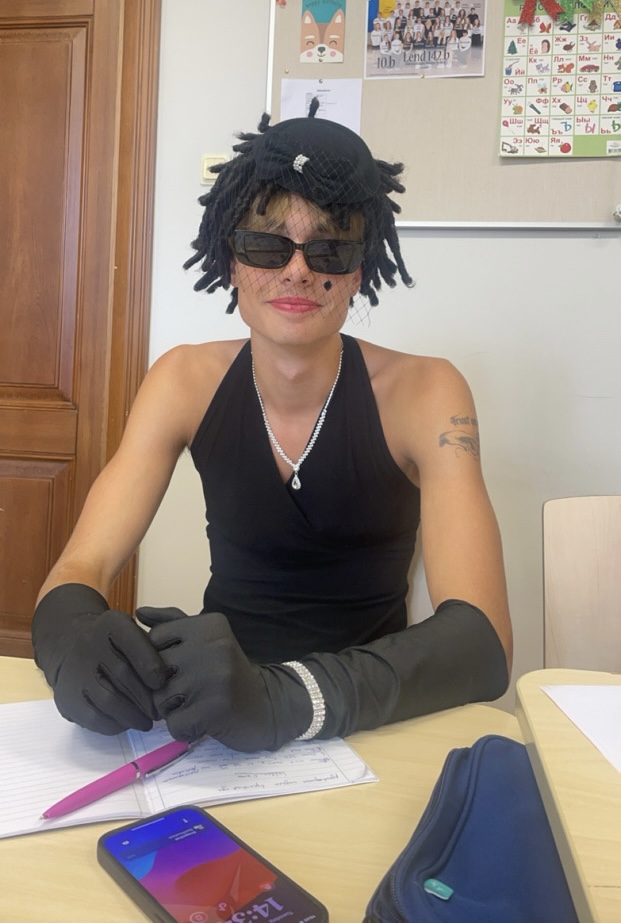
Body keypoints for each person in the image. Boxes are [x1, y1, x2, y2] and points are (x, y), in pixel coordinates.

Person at [31, 101, 512, 754]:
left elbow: (483, 639)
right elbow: (80, 565)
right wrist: (72, 642)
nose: (297, 271)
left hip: (369, 720)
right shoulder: (183, 380)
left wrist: (285, 698)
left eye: (328, 249)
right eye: (266, 244)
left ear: (357, 272)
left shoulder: (426, 392)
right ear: (231, 262)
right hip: (216, 704)